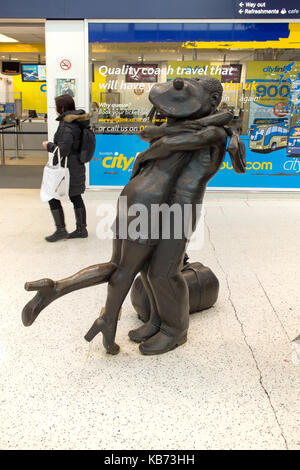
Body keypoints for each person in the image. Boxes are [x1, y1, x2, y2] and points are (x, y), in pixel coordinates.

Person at [23, 78, 231, 356]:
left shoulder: (215, 133)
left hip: (179, 209)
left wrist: (189, 127)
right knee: (146, 269)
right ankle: (157, 319)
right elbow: (148, 133)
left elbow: (165, 142)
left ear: (211, 103)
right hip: (153, 204)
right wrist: (177, 127)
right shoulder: (186, 126)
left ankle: (175, 329)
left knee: (164, 272)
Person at [43, 94, 89, 242]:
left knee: (51, 195)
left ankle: (61, 230)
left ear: (61, 108)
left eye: (56, 106)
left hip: (66, 167)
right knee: (75, 196)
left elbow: (63, 149)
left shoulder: (66, 125)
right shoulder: (77, 121)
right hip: (76, 165)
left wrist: (48, 146)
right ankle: (81, 229)